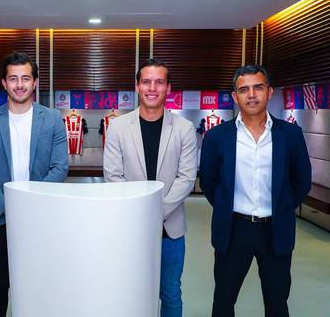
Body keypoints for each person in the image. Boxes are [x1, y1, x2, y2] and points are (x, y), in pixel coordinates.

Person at [199, 65, 312, 317]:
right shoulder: (217, 136)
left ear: (269, 91)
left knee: (277, 302)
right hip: (234, 229)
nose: (251, 94)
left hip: (276, 230)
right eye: (244, 89)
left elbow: (301, 180)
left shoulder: (291, 134)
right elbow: (208, 181)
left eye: (258, 87)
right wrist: (226, 205)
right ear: (235, 96)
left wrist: (282, 207)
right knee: (224, 301)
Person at [0, 51, 69, 317]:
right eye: (13, 78)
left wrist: (30, 206)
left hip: (41, 218)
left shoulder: (51, 119)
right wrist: (9, 208)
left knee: (39, 282)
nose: (19, 84)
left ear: (35, 82)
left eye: (25, 78)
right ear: (4, 83)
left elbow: (59, 167)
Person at [103, 58, 198, 317]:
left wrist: (155, 213)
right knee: (131, 290)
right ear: (137, 87)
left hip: (171, 231)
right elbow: (113, 176)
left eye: (159, 82)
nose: (152, 88)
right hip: (130, 229)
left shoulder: (184, 128)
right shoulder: (118, 127)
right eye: (146, 82)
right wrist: (141, 213)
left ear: (168, 88)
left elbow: (186, 177)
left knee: (170, 292)